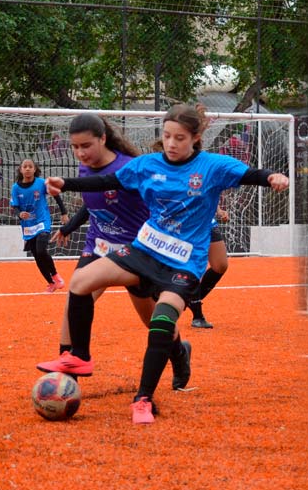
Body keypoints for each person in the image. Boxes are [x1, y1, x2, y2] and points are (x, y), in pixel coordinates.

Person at [37, 103, 290, 424]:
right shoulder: (147, 165)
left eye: (180, 138)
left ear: (196, 138)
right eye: (167, 136)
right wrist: (66, 184)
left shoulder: (213, 166)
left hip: (184, 264)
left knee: (161, 321)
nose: (171, 143)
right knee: (80, 282)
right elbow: (108, 182)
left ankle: (143, 399)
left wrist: (273, 177)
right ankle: (80, 357)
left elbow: (251, 174)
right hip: (144, 252)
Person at [47, 114, 191, 389]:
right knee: (76, 296)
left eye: (86, 145)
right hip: (98, 246)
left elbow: (159, 202)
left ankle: (180, 354)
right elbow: (92, 203)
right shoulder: (84, 167)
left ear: (103, 139)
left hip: (135, 252)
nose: (80, 153)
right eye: (75, 147)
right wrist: (69, 228)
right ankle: (68, 375)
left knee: (151, 320)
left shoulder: (131, 168)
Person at [10, 158, 68, 292]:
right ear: (21, 169)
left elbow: (56, 195)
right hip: (28, 225)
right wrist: (20, 214)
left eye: (30, 166)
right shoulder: (16, 188)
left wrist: (63, 212)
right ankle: (51, 283)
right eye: (25, 166)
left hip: (42, 221)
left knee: (41, 250)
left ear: (35, 169)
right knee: (36, 255)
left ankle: (56, 276)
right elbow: (15, 207)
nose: (28, 168)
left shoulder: (41, 183)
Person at [187, 205, 230, 329]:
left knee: (220, 265)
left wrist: (218, 210)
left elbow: (208, 189)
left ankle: (188, 299)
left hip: (207, 220)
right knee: (194, 266)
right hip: (187, 221)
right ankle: (197, 315)